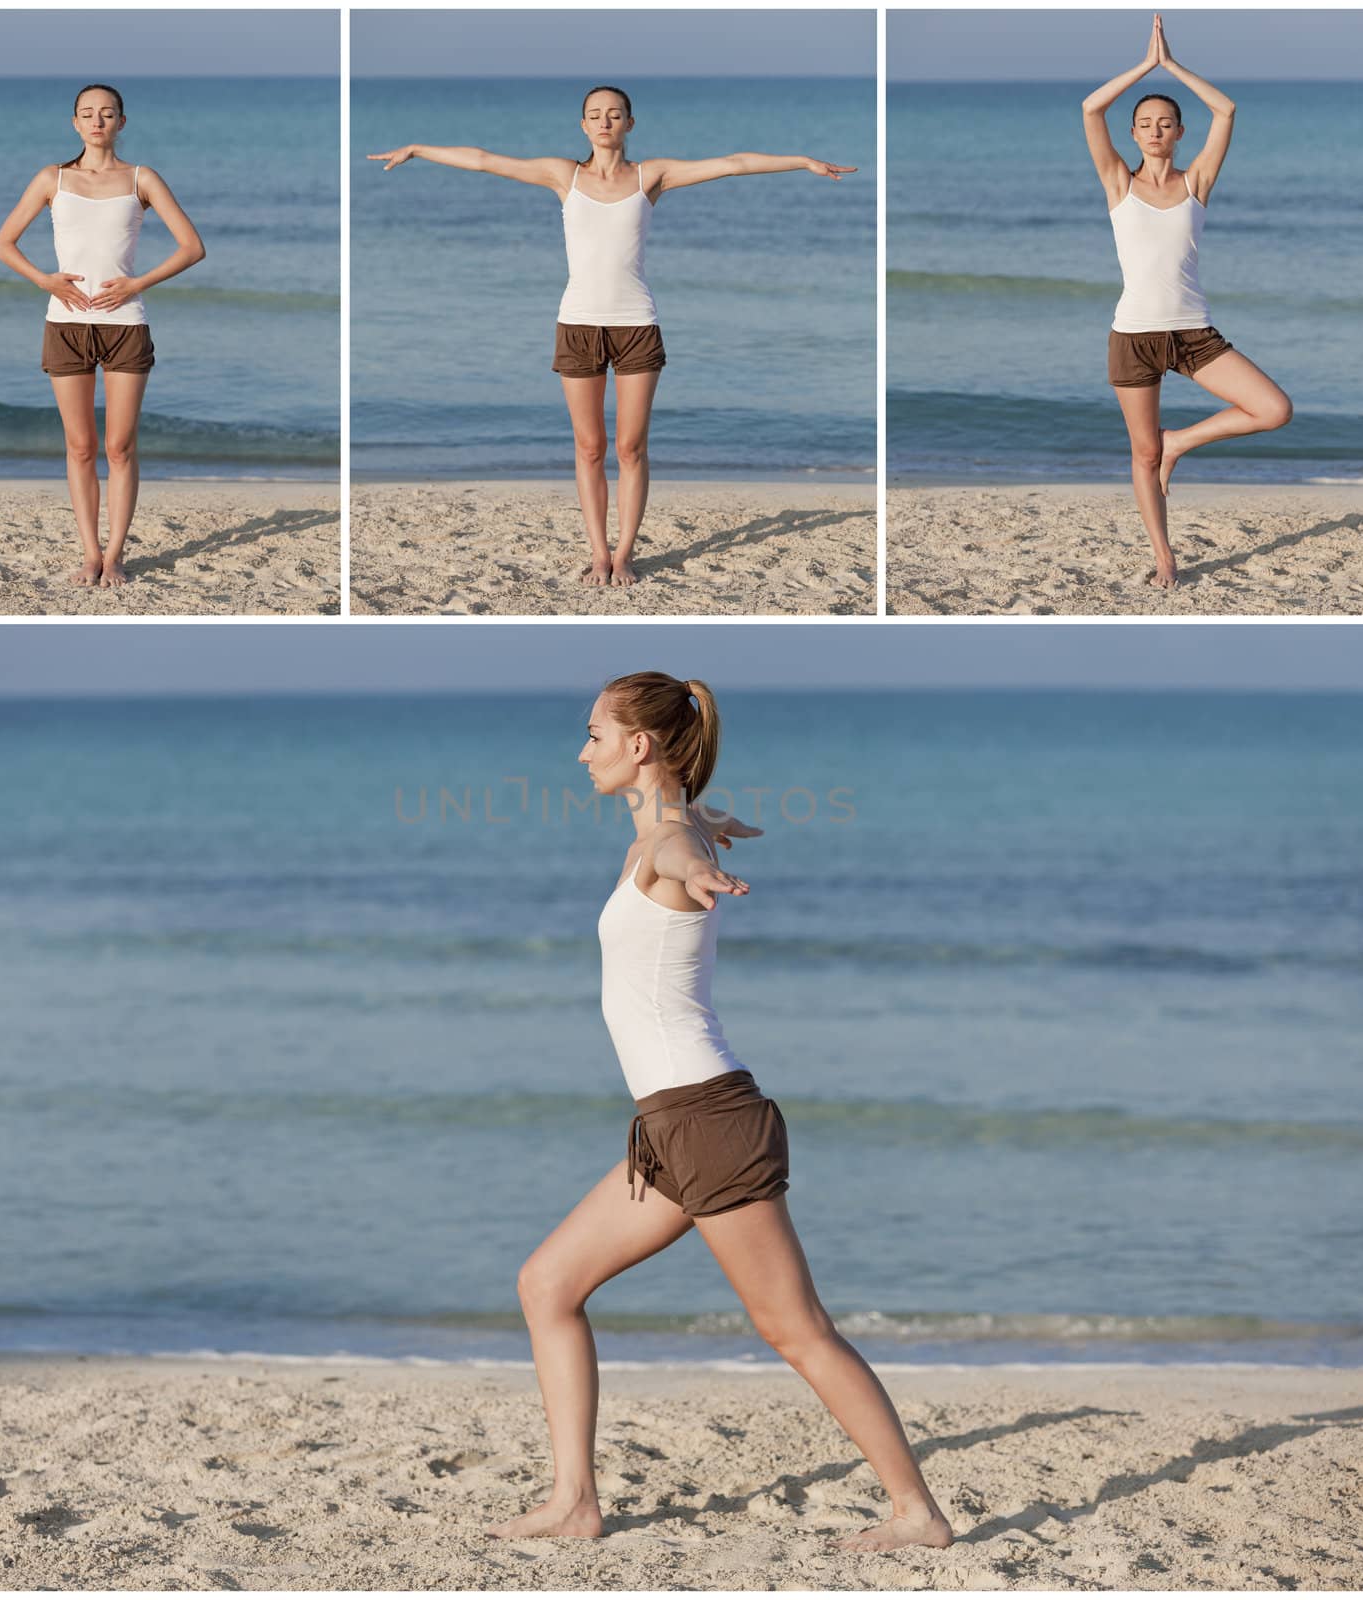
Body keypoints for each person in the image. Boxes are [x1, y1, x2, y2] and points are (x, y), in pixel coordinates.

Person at [485, 671, 955, 1553]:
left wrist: (701, 862)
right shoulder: (666, 828)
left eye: (593, 734)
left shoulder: (667, 842)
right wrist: (711, 829)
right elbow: (684, 831)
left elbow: (678, 855)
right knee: (547, 1286)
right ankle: (575, 1502)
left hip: (707, 1122)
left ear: (639, 746)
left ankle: (917, 1514)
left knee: (795, 1328)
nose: (581, 751)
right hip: (670, 1130)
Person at [369, 88, 854, 587]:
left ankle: (624, 555)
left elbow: (732, 163)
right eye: (595, 116)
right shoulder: (565, 175)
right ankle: (598, 553)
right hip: (578, 323)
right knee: (589, 447)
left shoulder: (652, 176)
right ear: (583, 125)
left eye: (614, 115)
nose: (605, 122)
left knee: (631, 448)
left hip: (636, 324)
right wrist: (419, 149)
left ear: (629, 123)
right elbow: (485, 160)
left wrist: (802, 162)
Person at [1082, 14, 1292, 588]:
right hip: (1134, 338)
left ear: (1178, 133)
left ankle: (1183, 440)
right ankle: (1165, 557)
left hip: (1194, 333)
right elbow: (1090, 109)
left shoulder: (1197, 181)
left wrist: (1172, 65)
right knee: (1143, 456)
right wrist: (1143, 67)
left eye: (1165, 123)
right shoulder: (1118, 184)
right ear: (1134, 134)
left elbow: (1225, 111)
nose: (1154, 131)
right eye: (1145, 124)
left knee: (1274, 409)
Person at [0, 84, 205, 587]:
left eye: (107, 114)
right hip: (65, 324)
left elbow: (191, 247)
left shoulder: (141, 179)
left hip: (125, 323)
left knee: (120, 448)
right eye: (87, 114)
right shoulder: (53, 179)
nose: (97, 121)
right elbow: (4, 243)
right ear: (75, 123)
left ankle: (115, 556)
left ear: (121, 123)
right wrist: (45, 279)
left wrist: (136, 283)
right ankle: (89, 554)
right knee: (80, 446)